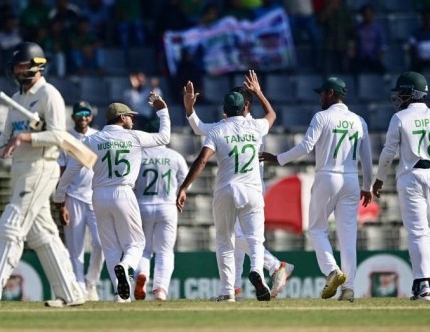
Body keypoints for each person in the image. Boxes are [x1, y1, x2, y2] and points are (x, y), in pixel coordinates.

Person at [0, 41, 85, 308]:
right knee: (43, 235)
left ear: (37, 65)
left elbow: (60, 136)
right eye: (15, 65)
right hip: (20, 170)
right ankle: (72, 294)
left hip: (41, 167)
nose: (17, 69)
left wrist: (26, 136)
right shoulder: (17, 100)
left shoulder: (49, 95)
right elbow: (5, 140)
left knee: (10, 226)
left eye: (22, 64)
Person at [260, 77, 373, 302]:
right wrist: (367, 186)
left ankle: (332, 270)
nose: (320, 97)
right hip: (351, 179)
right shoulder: (359, 120)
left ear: (331, 93)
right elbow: (367, 159)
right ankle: (349, 288)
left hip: (327, 176)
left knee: (317, 229)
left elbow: (306, 147)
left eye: (322, 93)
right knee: (348, 237)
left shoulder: (322, 117)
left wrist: (278, 159)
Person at [182, 73, 294, 299]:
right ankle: (253, 275)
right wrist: (259, 91)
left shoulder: (219, 129)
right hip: (252, 189)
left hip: (227, 189)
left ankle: (254, 277)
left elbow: (199, 132)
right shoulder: (256, 127)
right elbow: (272, 114)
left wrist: (189, 109)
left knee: (228, 240)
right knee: (251, 239)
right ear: (245, 107)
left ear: (225, 110)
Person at [56, 95, 171, 302]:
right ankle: (126, 267)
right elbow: (164, 138)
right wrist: (162, 111)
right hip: (124, 193)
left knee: (109, 248)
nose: (133, 120)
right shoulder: (134, 137)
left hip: (98, 196)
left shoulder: (91, 140)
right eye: (130, 116)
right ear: (123, 117)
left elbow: (72, 169)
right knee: (136, 243)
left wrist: (59, 195)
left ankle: (121, 295)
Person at [371, 71, 430, 301]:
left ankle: (423, 284)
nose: (398, 97)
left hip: (411, 176)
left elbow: (388, 152)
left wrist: (379, 178)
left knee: (417, 232)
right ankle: (423, 282)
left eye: (401, 92)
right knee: (427, 233)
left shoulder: (400, 118)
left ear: (412, 93)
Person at [51, 101, 104, 302]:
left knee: (100, 243)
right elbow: (61, 171)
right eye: (79, 113)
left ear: (91, 116)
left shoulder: (98, 136)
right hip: (73, 197)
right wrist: (61, 203)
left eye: (86, 113)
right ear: (73, 116)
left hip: (96, 196)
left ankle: (91, 282)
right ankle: (79, 287)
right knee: (76, 248)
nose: (83, 117)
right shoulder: (66, 138)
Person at [132, 123, 189, 301]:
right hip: (167, 206)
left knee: (143, 250)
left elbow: (129, 181)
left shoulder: (138, 156)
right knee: (165, 251)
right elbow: (187, 182)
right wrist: (180, 192)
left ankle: (142, 274)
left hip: (142, 205)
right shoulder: (174, 156)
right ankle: (161, 290)